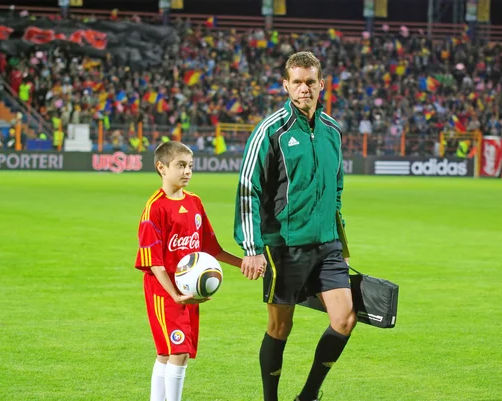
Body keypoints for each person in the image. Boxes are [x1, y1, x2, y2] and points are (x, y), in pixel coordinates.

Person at [234, 51, 356, 401]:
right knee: (280, 326)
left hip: (327, 245)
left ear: (322, 85)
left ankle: (307, 396)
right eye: (297, 82)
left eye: (310, 82)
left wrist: (342, 246)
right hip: (284, 246)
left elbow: (336, 190)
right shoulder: (270, 130)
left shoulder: (332, 130)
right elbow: (248, 188)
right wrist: (253, 249)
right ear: (286, 85)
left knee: (345, 320)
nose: (305, 88)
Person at [135, 141, 242, 401]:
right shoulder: (154, 208)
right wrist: (174, 294)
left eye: (190, 166)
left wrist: (244, 264)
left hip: (188, 290)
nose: (187, 172)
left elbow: (211, 249)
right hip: (164, 291)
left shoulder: (194, 202)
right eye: (180, 165)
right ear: (161, 168)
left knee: (167, 352)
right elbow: (154, 263)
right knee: (179, 350)